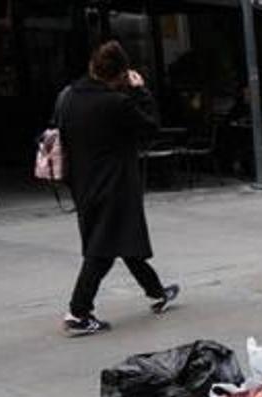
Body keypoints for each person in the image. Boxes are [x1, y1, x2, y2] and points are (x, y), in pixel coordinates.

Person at [58, 41, 177, 337]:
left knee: (124, 239)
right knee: (104, 249)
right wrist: (140, 92)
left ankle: (157, 291)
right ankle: (78, 311)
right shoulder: (117, 103)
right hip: (115, 183)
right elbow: (150, 127)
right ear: (121, 73)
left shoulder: (69, 96)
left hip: (82, 182)